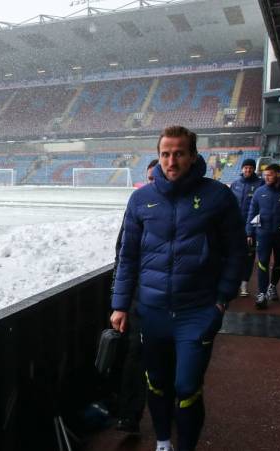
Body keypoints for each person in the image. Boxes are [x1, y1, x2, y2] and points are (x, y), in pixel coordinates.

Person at [111, 125, 245, 451]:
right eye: (165, 154)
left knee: (186, 387)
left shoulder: (218, 197)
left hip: (197, 312)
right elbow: (127, 257)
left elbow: (237, 252)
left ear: (193, 156)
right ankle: (162, 443)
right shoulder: (141, 199)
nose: (172, 161)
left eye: (179, 153)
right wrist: (120, 304)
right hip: (152, 312)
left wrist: (221, 300)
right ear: (158, 156)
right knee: (156, 384)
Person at [113, 158, 158, 435]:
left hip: (173, 301)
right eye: (150, 178)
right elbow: (123, 254)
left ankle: (174, 406)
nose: (154, 183)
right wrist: (119, 300)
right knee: (135, 356)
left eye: (159, 177)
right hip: (140, 298)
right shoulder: (138, 204)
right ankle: (130, 416)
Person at [246, 163, 280, 309]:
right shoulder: (260, 191)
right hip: (263, 233)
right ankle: (261, 293)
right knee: (263, 262)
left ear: (278, 174)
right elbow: (252, 213)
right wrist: (249, 232)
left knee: (278, 263)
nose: (266, 178)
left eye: (269, 175)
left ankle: (272, 286)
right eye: (264, 175)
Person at [230, 159, 263, 297]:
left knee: (248, 257)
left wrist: (252, 229)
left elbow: (262, 208)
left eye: (250, 168)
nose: (248, 170)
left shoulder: (260, 184)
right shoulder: (235, 184)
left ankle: (244, 284)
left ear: (254, 169)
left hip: (252, 228)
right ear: (242, 169)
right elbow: (229, 205)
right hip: (234, 227)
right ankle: (233, 282)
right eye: (246, 168)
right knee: (233, 255)